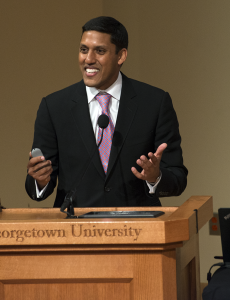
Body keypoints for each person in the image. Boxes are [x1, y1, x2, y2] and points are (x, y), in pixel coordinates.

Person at [25, 16, 188, 208]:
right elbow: (37, 187)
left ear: (121, 56)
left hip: (137, 229)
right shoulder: (54, 107)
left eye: (99, 51)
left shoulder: (154, 103)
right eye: (83, 50)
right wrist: (40, 180)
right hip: (75, 229)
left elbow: (177, 179)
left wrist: (155, 177)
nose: (88, 59)